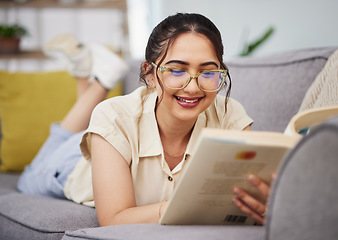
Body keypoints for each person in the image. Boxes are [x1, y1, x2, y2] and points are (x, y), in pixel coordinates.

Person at [18, 13, 270, 226]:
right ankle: (100, 80)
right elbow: (114, 218)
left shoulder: (230, 116)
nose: (193, 88)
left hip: (111, 140)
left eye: (207, 72)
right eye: (176, 70)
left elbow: (249, 200)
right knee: (30, 174)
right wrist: (187, 207)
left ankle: (86, 73)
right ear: (149, 74)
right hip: (71, 167)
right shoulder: (113, 116)